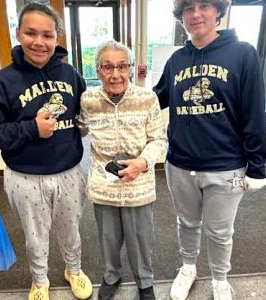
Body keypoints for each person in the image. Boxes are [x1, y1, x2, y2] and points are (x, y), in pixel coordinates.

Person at [153, 1, 266, 300]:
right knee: (187, 222)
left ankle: (220, 278)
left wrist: (257, 165)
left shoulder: (243, 54)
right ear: (181, 15)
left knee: (220, 231)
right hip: (180, 163)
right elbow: (157, 99)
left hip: (227, 166)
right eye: (188, 7)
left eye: (204, 5)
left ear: (218, 11)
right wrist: (120, 96)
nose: (196, 14)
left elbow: (254, 113)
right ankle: (188, 267)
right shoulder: (177, 59)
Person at [0, 2, 92, 300]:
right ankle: (40, 280)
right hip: (25, 177)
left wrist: (88, 125)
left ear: (56, 37)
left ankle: (74, 270)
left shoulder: (70, 74)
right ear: (18, 33)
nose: (39, 42)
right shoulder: (3, 81)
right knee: (35, 236)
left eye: (47, 35)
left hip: (69, 172)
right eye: (31, 33)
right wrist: (31, 129)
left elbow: (83, 113)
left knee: (71, 231)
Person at [77, 40, 168, 300]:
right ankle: (111, 276)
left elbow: (159, 140)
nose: (115, 74)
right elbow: (80, 128)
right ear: (98, 70)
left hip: (138, 182)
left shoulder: (147, 98)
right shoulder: (88, 99)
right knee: (108, 237)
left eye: (121, 66)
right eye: (107, 67)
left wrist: (142, 163)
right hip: (103, 181)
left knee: (140, 238)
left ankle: (145, 283)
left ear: (129, 68)